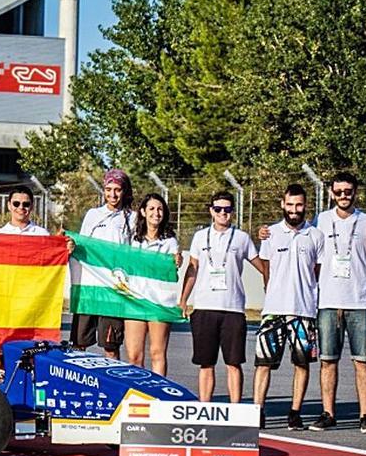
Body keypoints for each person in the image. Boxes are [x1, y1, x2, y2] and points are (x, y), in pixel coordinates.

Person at [178, 191, 262, 403]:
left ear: (233, 212)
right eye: (218, 209)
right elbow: (192, 268)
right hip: (205, 307)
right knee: (206, 363)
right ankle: (205, 406)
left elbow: (262, 265)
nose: (223, 213)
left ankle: (235, 409)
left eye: (227, 209)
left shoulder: (242, 238)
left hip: (232, 308)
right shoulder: (200, 237)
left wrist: (272, 285)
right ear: (211, 211)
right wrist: (183, 299)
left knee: (233, 363)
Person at [309, 172, 366, 433]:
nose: (343, 196)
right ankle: (328, 412)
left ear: (356, 192)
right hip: (327, 300)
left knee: (363, 360)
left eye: (348, 191)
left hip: (361, 300)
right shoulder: (320, 221)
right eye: (338, 191)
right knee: (327, 360)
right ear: (331, 193)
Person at [254, 183, 324, 430]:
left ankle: (295, 411)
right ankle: (258, 410)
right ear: (283, 204)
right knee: (264, 363)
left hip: (304, 310)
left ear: (306, 206)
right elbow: (266, 269)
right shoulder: (270, 233)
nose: (294, 210)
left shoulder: (316, 236)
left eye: (299, 205)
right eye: (290, 204)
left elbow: (317, 271)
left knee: (302, 363)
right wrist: (273, 291)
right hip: (273, 310)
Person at [67, 169, 134, 360]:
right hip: (90, 288)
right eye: (108, 189)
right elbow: (82, 245)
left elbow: (136, 252)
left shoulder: (132, 217)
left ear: (124, 191)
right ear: (103, 191)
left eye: (117, 189)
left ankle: (113, 386)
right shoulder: (93, 215)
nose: (112, 194)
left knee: (111, 345)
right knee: (79, 344)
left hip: (114, 290)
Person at [123, 193, 181, 376]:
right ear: (143, 212)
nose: (156, 213)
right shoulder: (132, 241)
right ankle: (139, 396)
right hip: (135, 301)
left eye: (160, 209)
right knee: (133, 355)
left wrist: (176, 261)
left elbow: (172, 269)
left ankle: (159, 397)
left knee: (157, 353)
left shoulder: (170, 242)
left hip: (159, 302)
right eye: (151, 209)